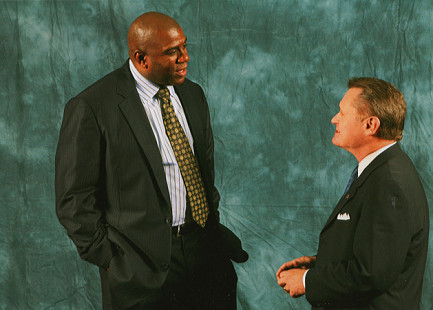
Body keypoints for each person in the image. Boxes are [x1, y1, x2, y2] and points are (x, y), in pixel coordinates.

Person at [55, 12, 247, 310]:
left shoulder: (193, 95)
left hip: (205, 256)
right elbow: (73, 199)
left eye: (184, 46)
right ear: (141, 58)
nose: (185, 57)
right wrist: (111, 260)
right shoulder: (92, 107)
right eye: (173, 52)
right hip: (138, 269)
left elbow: (202, 173)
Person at [276, 77, 429, 309]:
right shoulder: (382, 171)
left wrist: (308, 281)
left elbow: (371, 274)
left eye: (342, 113)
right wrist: (321, 264)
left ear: (370, 125)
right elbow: (376, 255)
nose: (334, 119)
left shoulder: (388, 182)